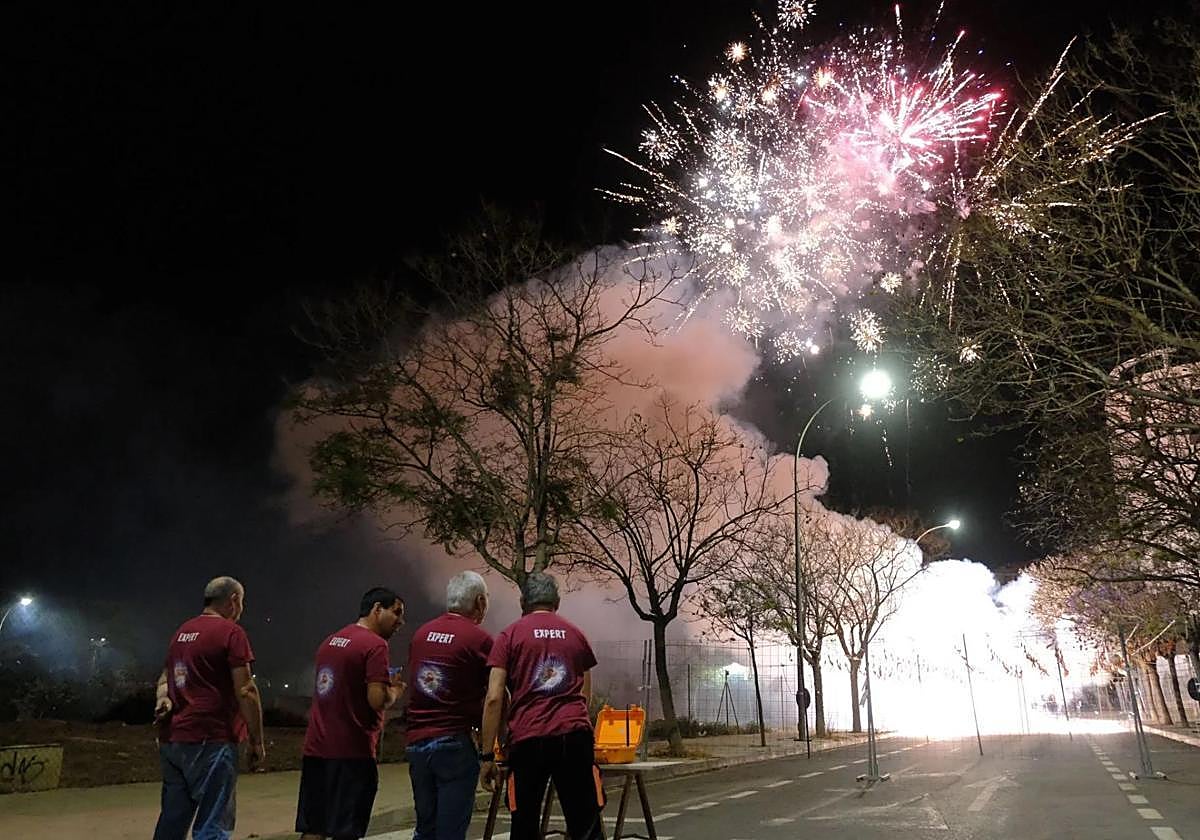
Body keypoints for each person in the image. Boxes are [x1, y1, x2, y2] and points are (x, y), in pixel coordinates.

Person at [480, 572, 604, 840]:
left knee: (524, 823)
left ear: (523, 602)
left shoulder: (509, 636)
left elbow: (493, 697)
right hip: (574, 736)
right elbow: (586, 694)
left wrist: (488, 755)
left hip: (528, 740)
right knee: (585, 823)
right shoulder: (575, 634)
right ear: (556, 601)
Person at [153, 576, 265, 840]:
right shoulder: (231, 633)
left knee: (172, 822)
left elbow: (165, 677)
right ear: (234, 600)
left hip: (174, 740)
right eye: (242, 603)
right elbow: (246, 690)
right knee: (213, 824)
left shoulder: (182, 632)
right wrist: (256, 741)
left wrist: (162, 699)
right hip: (212, 739)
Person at [297, 586, 406, 840]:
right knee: (346, 830)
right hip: (352, 754)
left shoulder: (330, 641)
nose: (401, 621)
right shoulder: (375, 645)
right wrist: (396, 690)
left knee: (314, 827)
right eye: (396, 612)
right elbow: (377, 699)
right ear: (377, 610)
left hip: (316, 750)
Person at [406, 571, 494, 840]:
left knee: (425, 829)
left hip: (417, 744)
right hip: (453, 744)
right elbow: (495, 696)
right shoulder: (479, 639)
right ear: (479, 602)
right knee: (451, 833)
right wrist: (491, 751)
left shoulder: (421, 635)